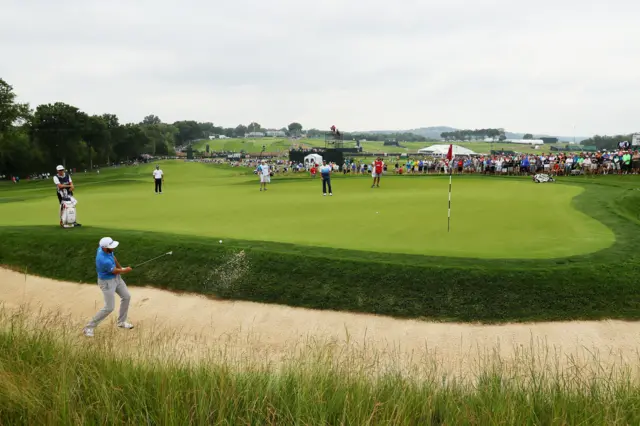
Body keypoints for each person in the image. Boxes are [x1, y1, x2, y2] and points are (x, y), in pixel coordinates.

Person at [83, 237, 134, 337]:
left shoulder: (104, 249)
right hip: (107, 282)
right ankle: (88, 327)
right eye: (111, 247)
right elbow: (114, 271)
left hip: (117, 279)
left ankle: (121, 322)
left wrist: (121, 268)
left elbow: (114, 258)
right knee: (109, 307)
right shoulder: (103, 260)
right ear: (105, 248)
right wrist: (125, 270)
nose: (113, 248)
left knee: (126, 296)